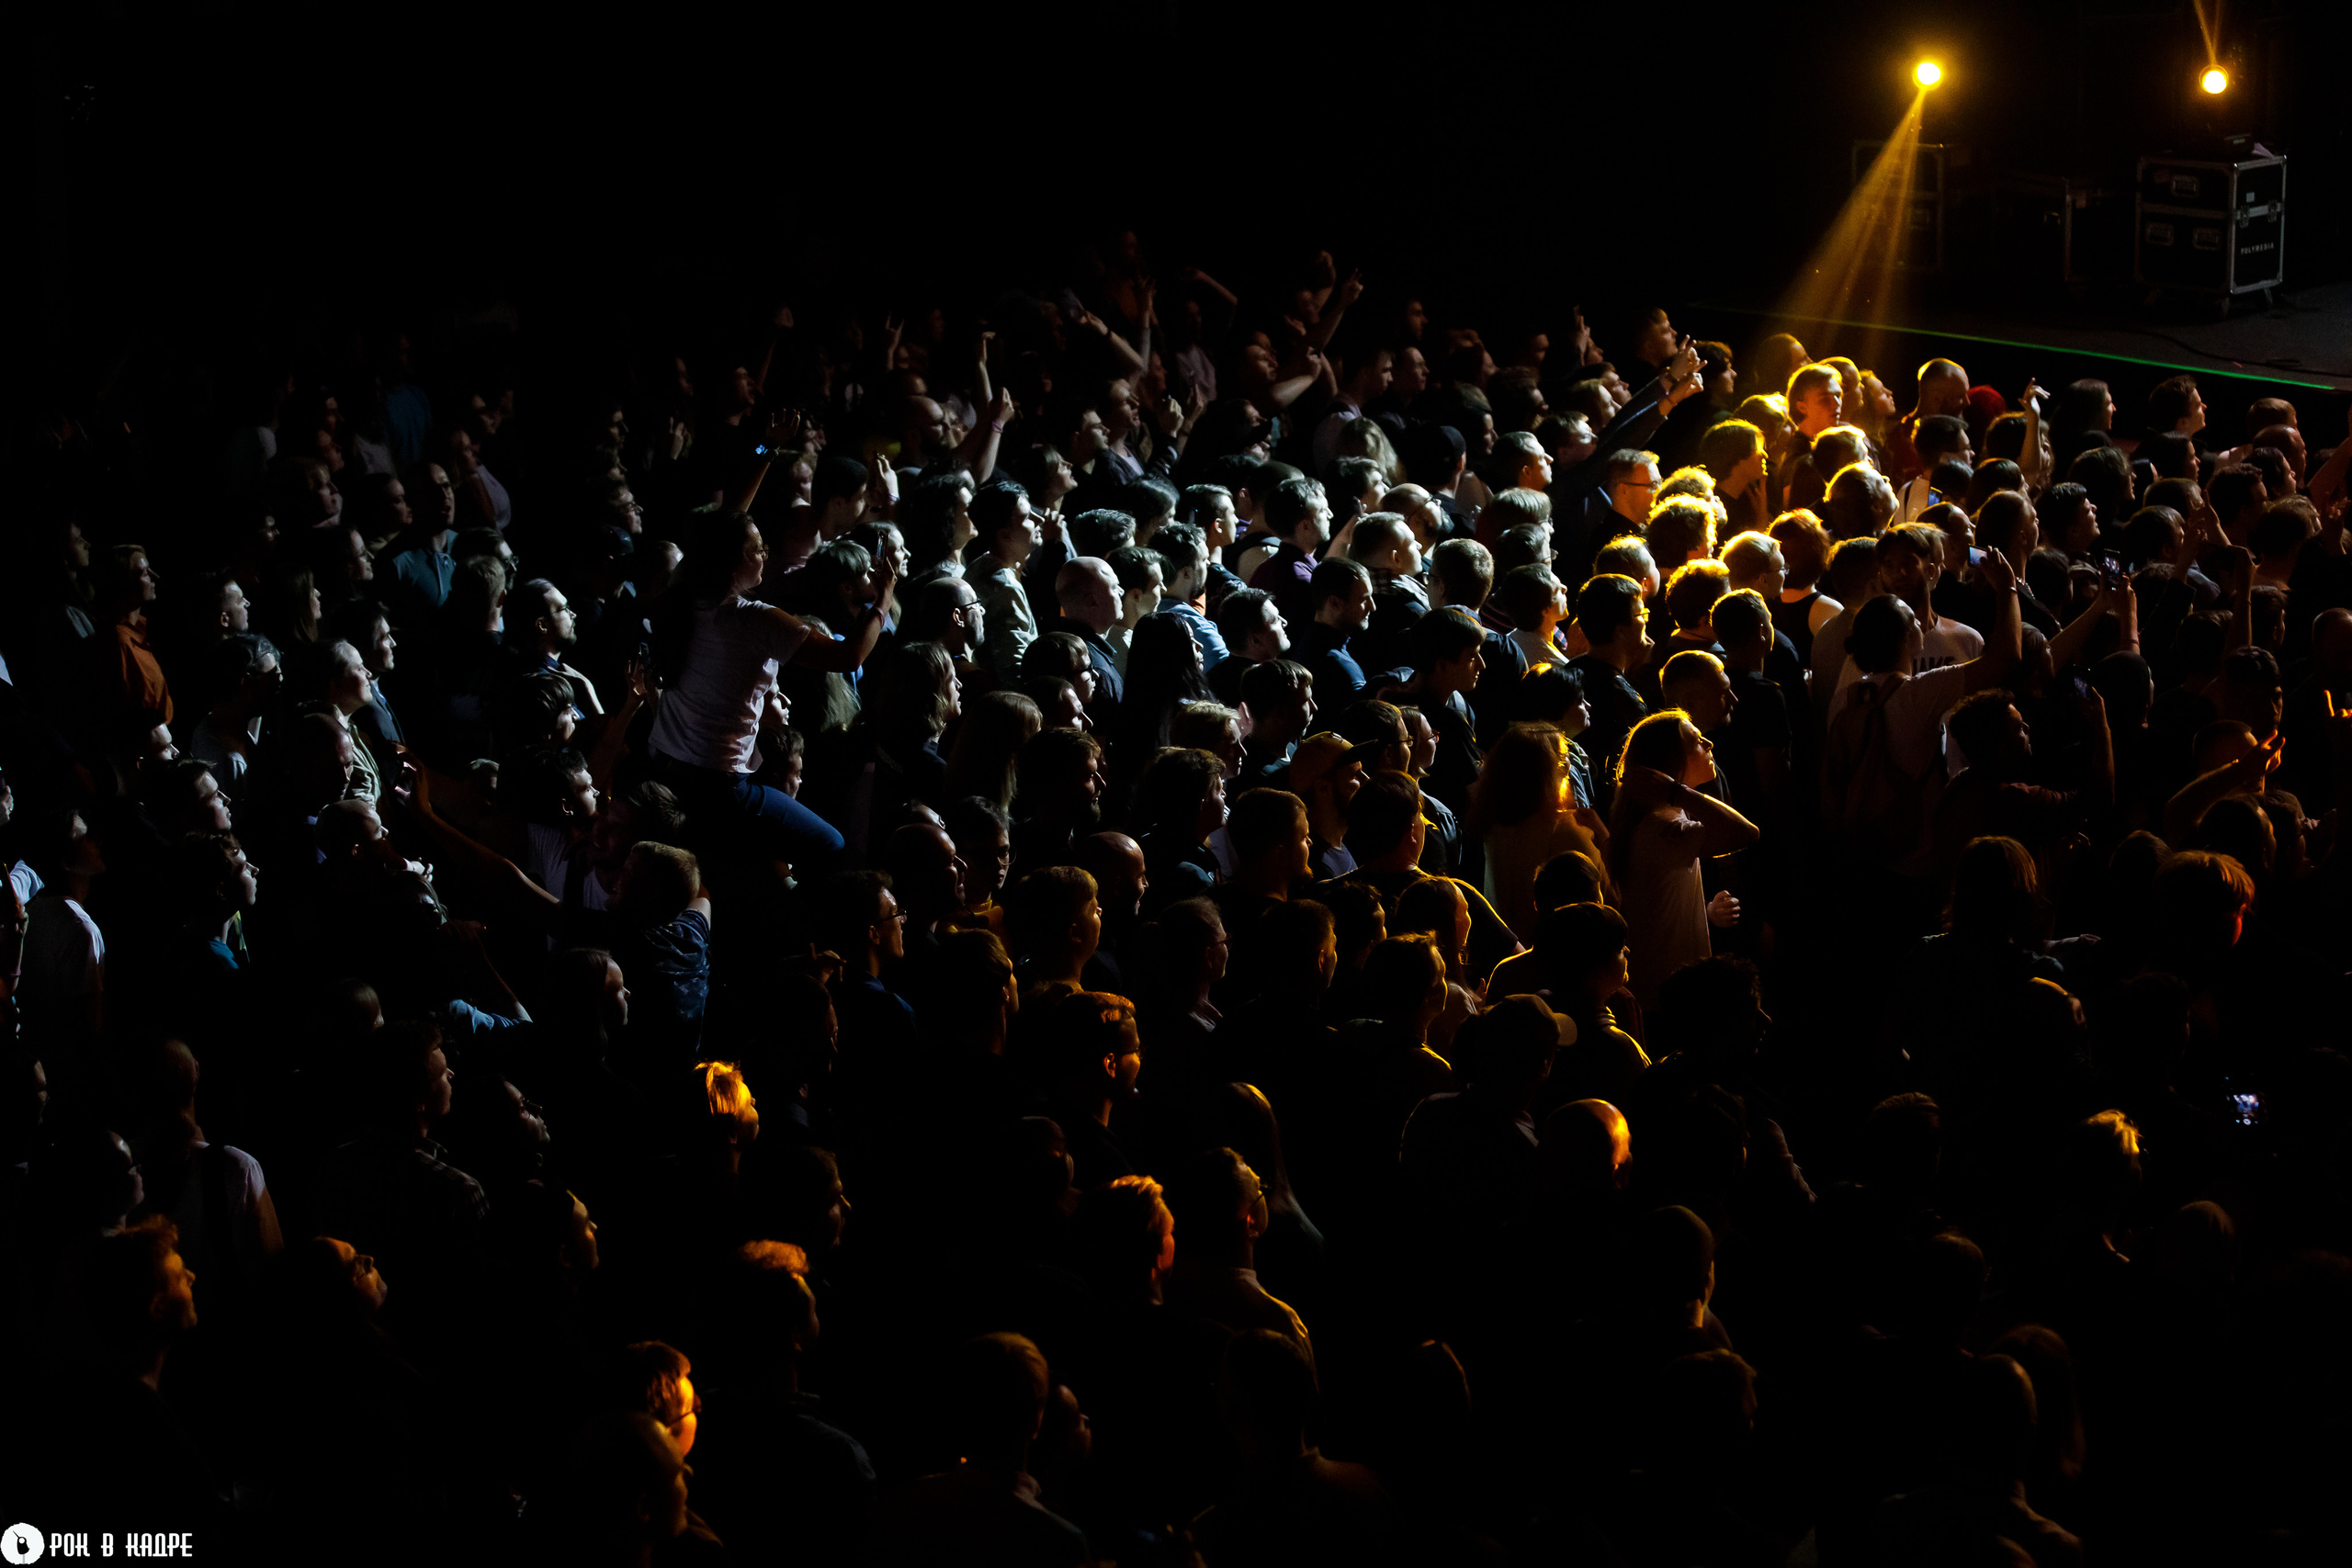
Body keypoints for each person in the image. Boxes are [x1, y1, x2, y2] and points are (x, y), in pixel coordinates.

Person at [648, 508, 890, 869]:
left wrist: (765, 450)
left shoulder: (683, 597)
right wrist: (884, 596)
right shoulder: (755, 618)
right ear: (732, 560)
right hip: (717, 785)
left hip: (664, 764)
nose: (765, 554)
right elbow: (848, 656)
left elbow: (724, 521)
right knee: (831, 844)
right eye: (757, 549)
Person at [1607, 710, 1758, 1004]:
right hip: (1668, 992)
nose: (1709, 744)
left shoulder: (1664, 816)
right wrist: (1679, 791)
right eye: (1697, 741)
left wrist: (1707, 910)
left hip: (1668, 985)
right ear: (1670, 760)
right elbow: (1746, 834)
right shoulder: (1662, 824)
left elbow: (1654, 894)